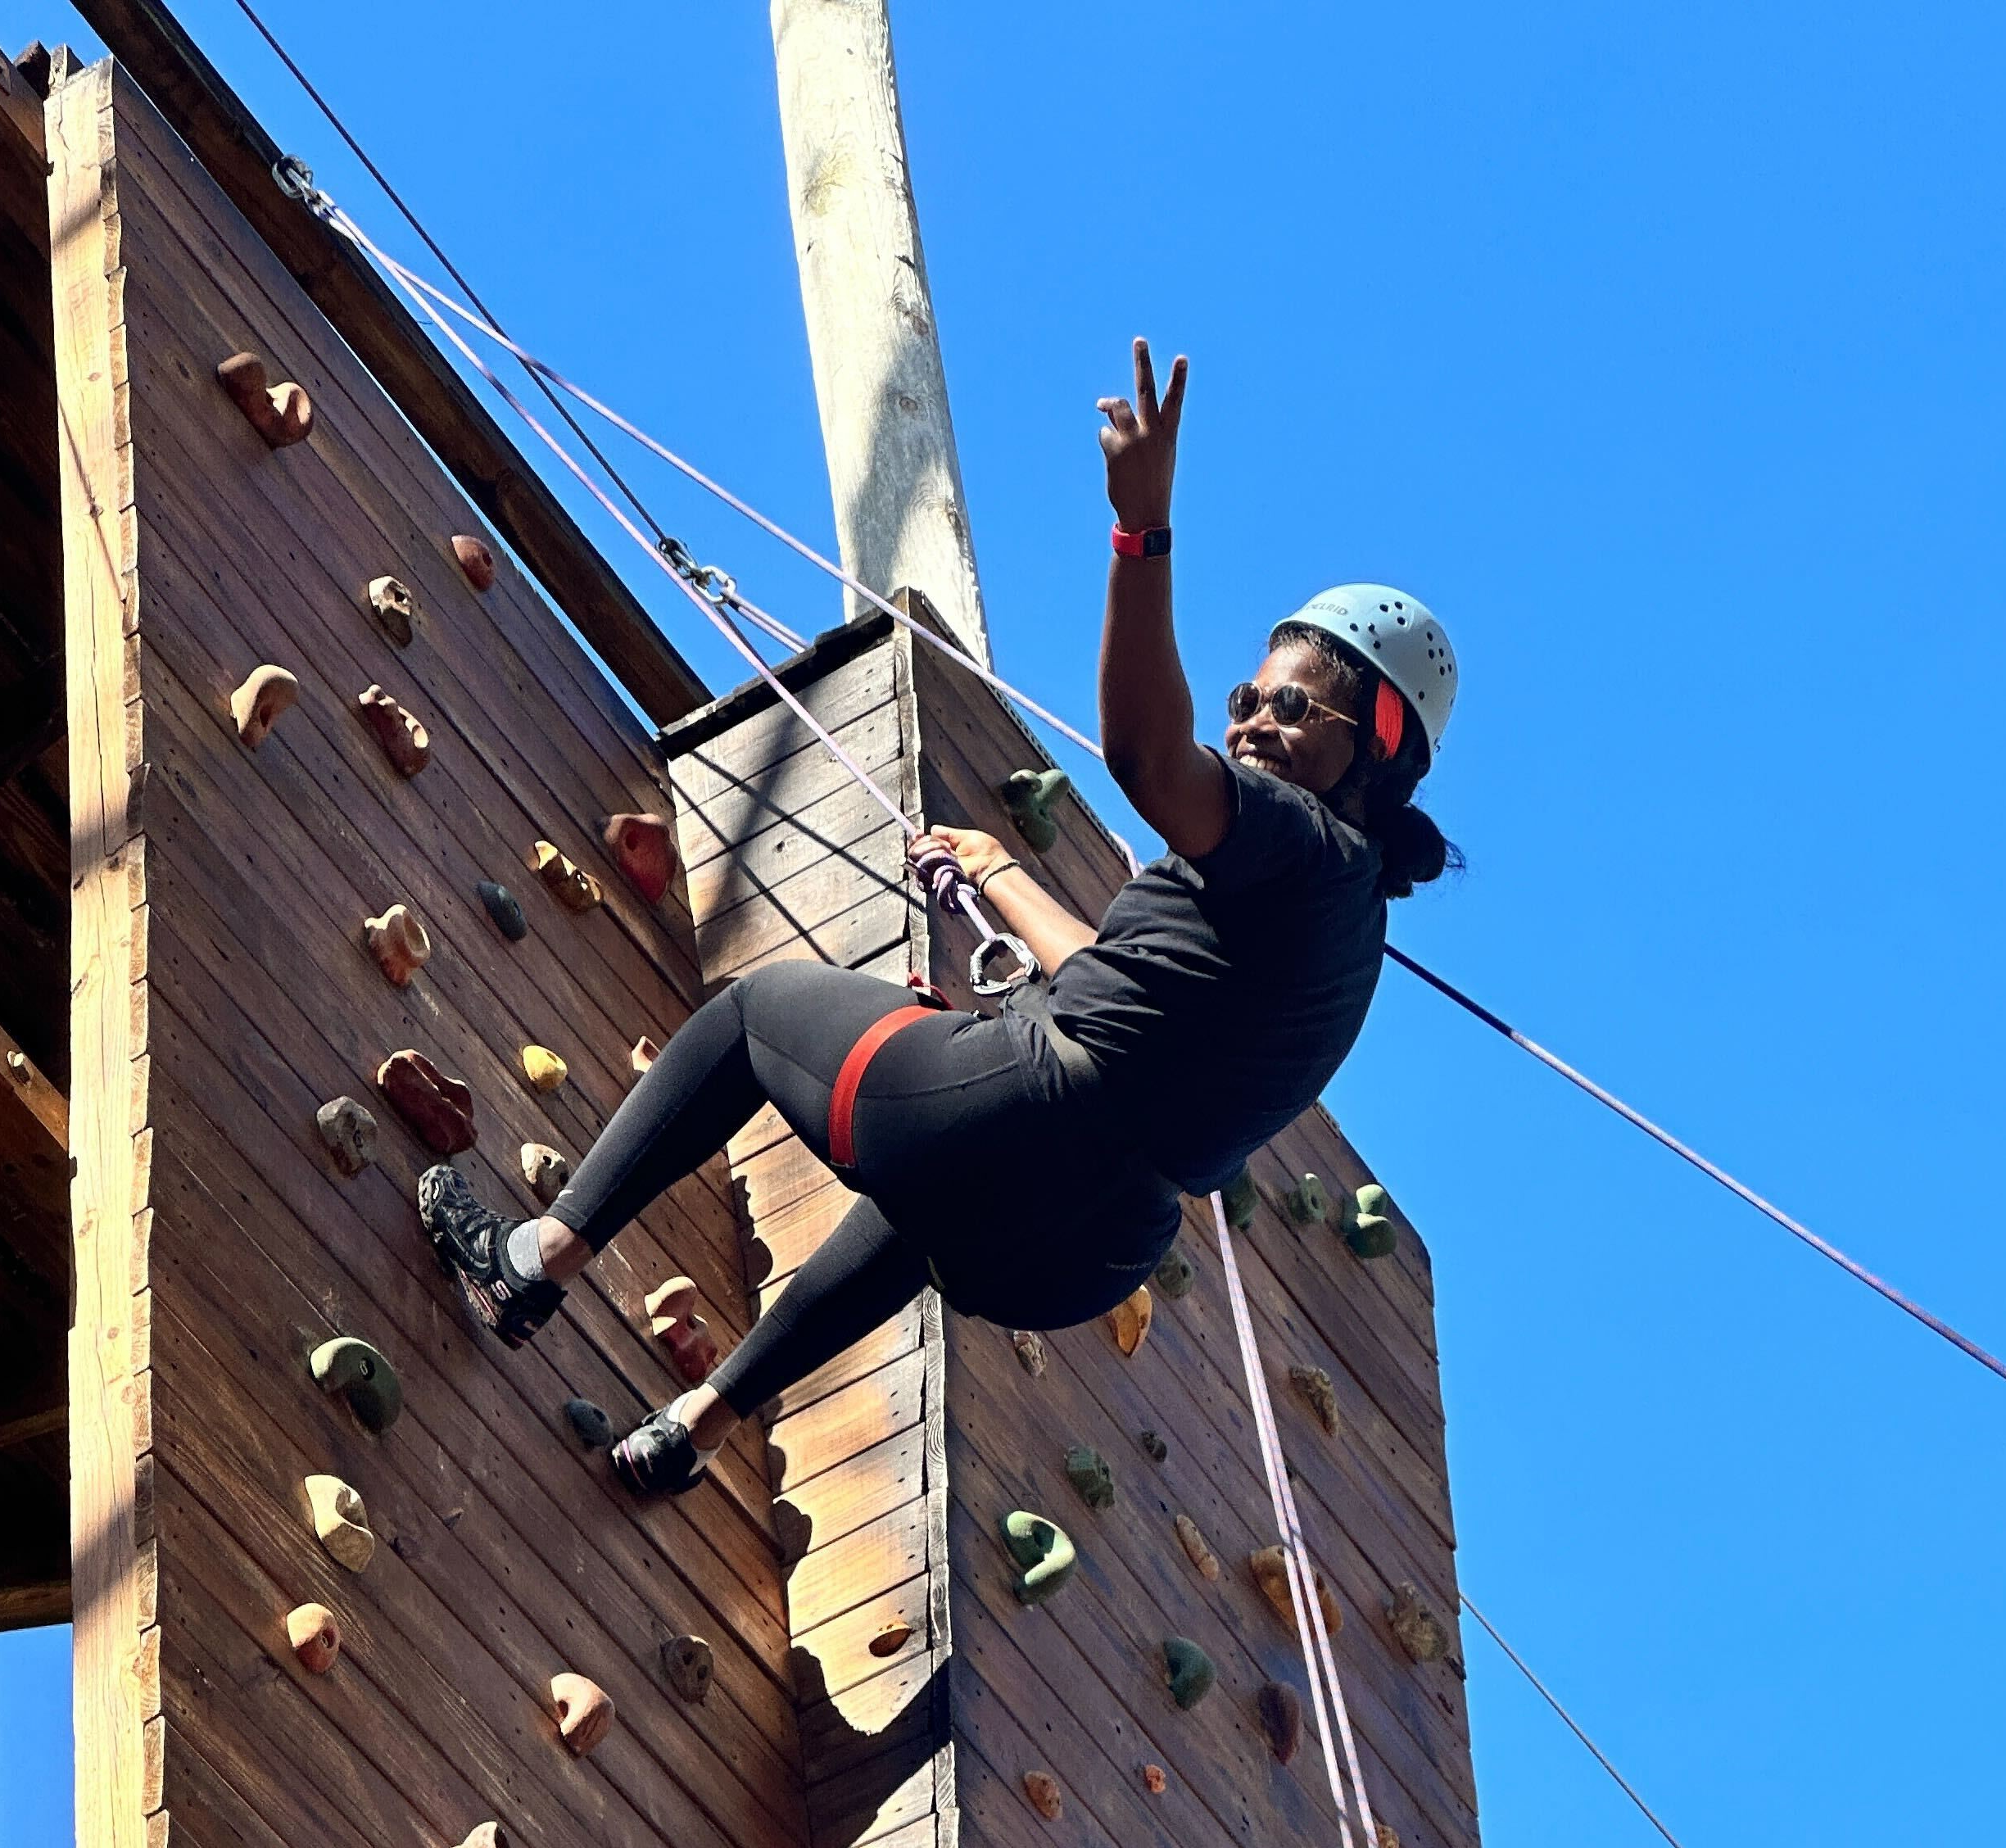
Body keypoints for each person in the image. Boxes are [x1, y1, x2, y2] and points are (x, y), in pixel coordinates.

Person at [415, 339, 1459, 1495]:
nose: (1255, 723)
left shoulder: (1300, 839)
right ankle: (692, 1432)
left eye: (1294, 708)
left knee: (758, 1016)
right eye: (1248, 698)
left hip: (1026, 1114)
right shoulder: (1337, 932)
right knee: (926, 1212)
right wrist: (998, 871)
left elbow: (1149, 758)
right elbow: (1114, 985)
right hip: (1082, 1254)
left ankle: (533, 1259)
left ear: (1379, 747)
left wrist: (1141, 529)